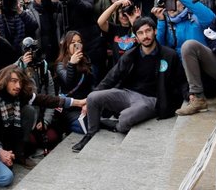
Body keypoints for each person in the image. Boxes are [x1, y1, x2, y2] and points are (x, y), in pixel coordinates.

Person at [73, 17, 185, 152]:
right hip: (127, 93)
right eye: (140, 33)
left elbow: (181, 80)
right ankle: (90, 133)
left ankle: (116, 126)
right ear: (136, 37)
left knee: (125, 118)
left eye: (148, 31)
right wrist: (89, 98)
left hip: (151, 100)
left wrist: (188, 95)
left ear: (155, 31)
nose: (145, 36)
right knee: (92, 97)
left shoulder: (168, 55)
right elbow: (111, 77)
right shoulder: (130, 55)